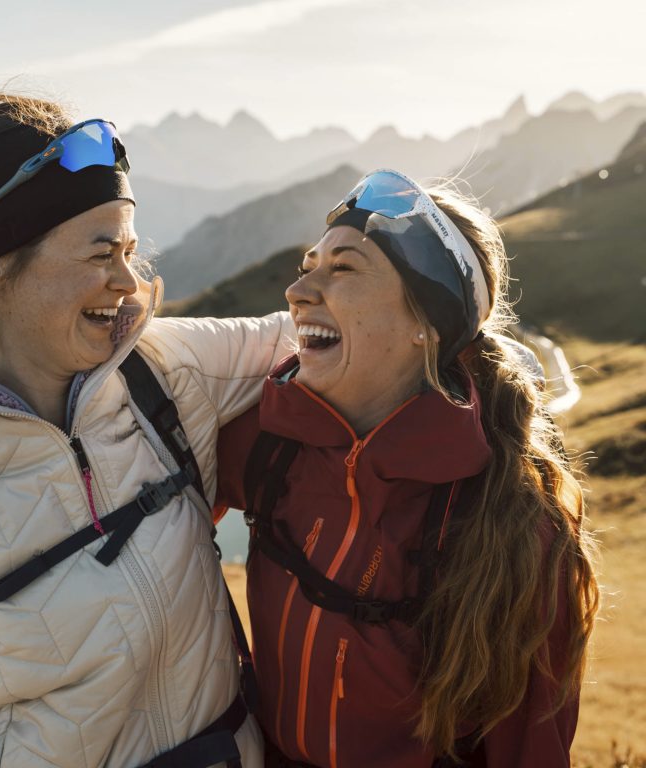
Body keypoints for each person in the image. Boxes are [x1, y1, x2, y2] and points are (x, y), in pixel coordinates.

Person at [0, 73, 294, 767]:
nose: (129, 284)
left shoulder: (164, 370)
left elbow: (324, 335)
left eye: (130, 252)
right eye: (102, 255)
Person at [215, 170, 599, 767]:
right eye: (307, 265)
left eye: (343, 268)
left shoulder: (514, 524)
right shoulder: (268, 442)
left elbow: (531, 748)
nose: (298, 291)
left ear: (427, 322)